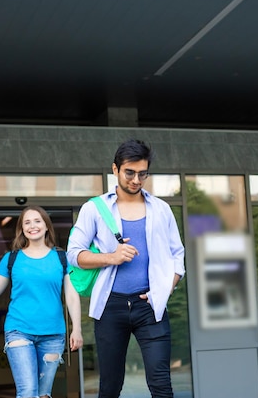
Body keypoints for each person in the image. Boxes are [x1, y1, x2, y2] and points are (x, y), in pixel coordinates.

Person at [67, 138, 185, 398]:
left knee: (161, 385)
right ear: (115, 169)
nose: (136, 180)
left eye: (142, 174)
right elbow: (74, 254)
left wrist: (166, 288)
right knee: (110, 387)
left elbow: (178, 255)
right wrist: (111, 257)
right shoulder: (94, 209)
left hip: (150, 305)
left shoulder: (162, 209)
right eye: (129, 172)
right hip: (110, 307)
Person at [0, 205, 83, 398]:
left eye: (37, 221)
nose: (32, 226)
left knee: (44, 394)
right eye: (27, 222)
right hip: (19, 330)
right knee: (28, 391)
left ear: (46, 226)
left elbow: (72, 296)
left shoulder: (62, 258)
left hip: (53, 335)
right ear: (22, 229)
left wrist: (77, 328)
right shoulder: (11, 259)